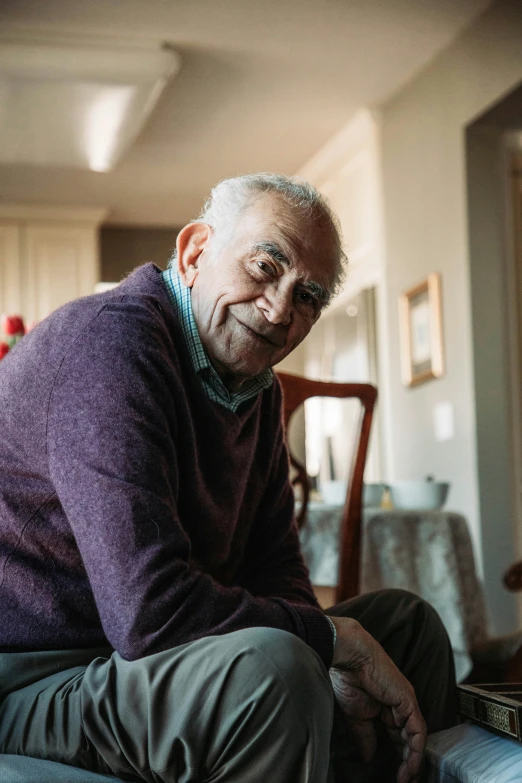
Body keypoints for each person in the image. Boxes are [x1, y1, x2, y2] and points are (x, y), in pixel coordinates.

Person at [0, 173, 456, 783]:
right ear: (194, 253)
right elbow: (149, 613)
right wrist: (329, 643)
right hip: (36, 679)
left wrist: (329, 649)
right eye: (266, 267)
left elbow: (279, 572)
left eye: (308, 297)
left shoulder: (254, 392)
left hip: (134, 663)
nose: (278, 311)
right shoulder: (110, 343)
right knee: (279, 670)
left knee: (406, 626)